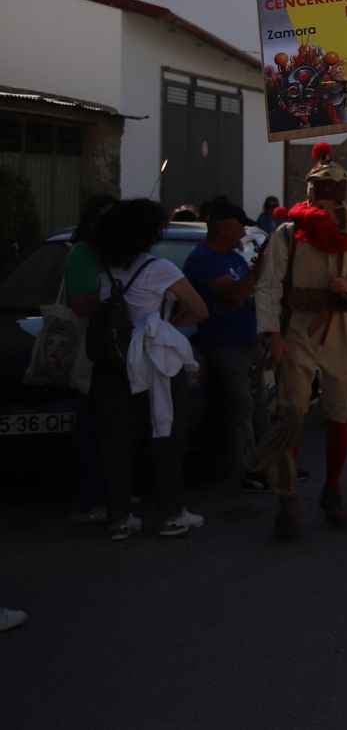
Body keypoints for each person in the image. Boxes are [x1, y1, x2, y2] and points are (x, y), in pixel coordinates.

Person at [253, 142, 347, 540]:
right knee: (292, 416)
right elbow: (268, 286)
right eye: (321, 193)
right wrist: (272, 335)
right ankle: (288, 499)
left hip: (340, 328)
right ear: (311, 192)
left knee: (339, 415)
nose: (327, 203)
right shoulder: (289, 235)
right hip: (296, 332)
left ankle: (332, 490)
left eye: (333, 193)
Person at [91, 198, 209, 540]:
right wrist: (169, 324)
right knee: (166, 435)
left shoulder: (106, 269)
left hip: (114, 360)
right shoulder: (159, 269)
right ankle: (171, 514)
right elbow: (199, 309)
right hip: (156, 361)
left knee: (117, 441)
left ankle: (118, 520)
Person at [182, 200, 267, 491]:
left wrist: (239, 294)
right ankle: (250, 470)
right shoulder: (203, 258)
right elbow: (237, 291)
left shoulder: (233, 257)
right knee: (241, 407)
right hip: (224, 346)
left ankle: (269, 464)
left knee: (260, 406)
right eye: (238, 224)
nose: (243, 230)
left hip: (247, 341)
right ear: (221, 226)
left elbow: (243, 294)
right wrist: (247, 283)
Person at [63, 193, 115, 524]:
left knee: (111, 427)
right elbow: (81, 304)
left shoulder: (115, 254)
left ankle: (109, 491)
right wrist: (112, 291)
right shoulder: (84, 253)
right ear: (93, 221)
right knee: (91, 427)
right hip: (90, 349)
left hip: (111, 350)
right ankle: (88, 499)